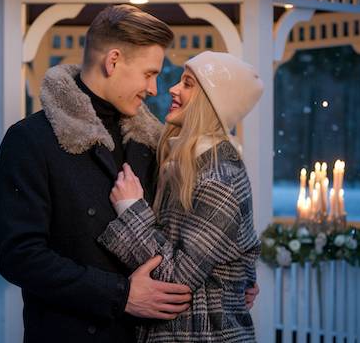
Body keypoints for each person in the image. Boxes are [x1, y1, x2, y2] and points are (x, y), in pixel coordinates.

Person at [0, 5, 258, 342]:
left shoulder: (154, 142)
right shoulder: (31, 139)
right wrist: (120, 294)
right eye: (149, 74)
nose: (155, 89)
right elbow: (20, 257)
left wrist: (230, 278)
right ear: (113, 61)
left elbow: (182, 236)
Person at [97, 51, 264, 342]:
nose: (172, 88)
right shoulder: (184, 163)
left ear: (212, 102)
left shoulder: (218, 179)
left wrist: (130, 209)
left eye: (187, 83)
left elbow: (175, 282)